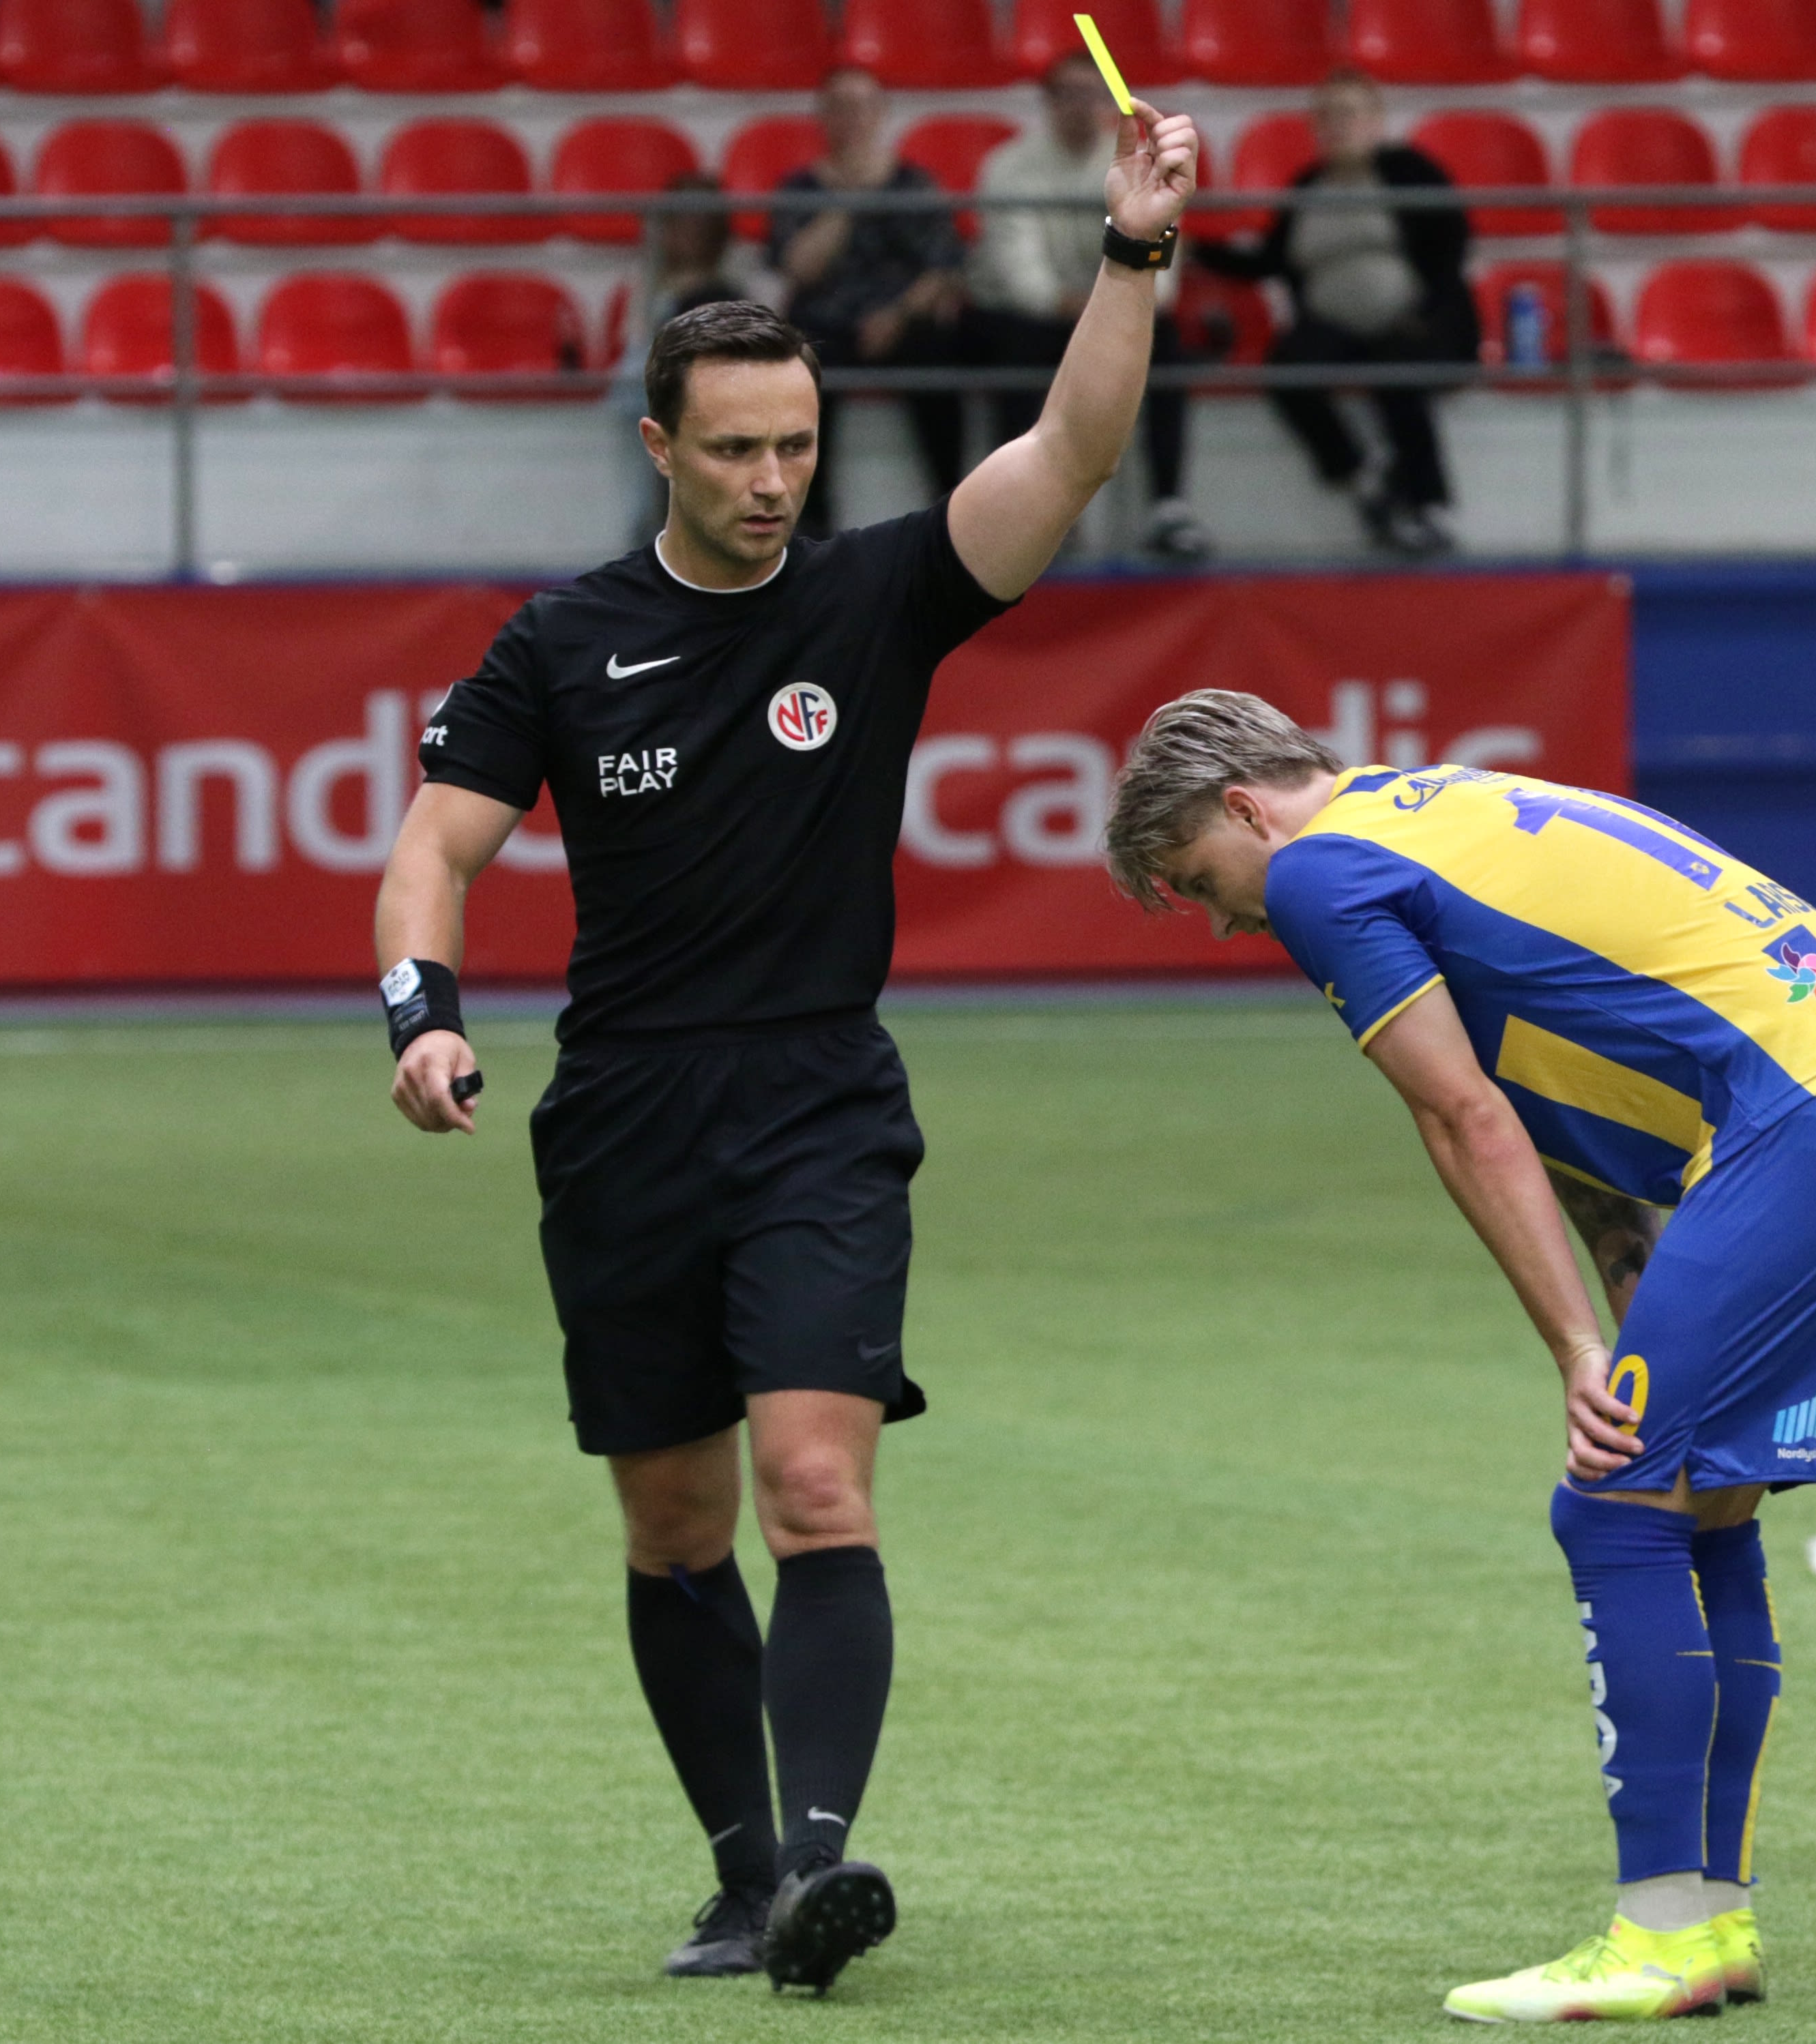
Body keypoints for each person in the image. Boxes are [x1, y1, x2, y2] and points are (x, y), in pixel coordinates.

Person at [370, 103, 1201, 1996]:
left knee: (816, 1486)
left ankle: (821, 1872)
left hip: (820, 1101)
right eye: (737, 448)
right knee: (673, 1524)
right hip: (624, 1119)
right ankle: (742, 1877)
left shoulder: (873, 594)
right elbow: (433, 850)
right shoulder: (558, 644)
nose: (772, 480)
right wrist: (424, 1017)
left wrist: (1130, 248)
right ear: (658, 446)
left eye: (798, 446)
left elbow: (1073, 448)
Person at [1101, 694, 1816, 2021]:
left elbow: (1464, 1117)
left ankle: (1660, 1932)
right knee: (1704, 1506)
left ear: (1244, 810)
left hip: (1806, 1120)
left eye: (1204, 884)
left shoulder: (1319, 870)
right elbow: (1556, 1082)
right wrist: (1624, 1280)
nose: (1226, 922)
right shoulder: (1439, 807)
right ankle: (1712, 1920)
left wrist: (1575, 1345)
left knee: (1612, 1504)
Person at [1198, 70, 1478, 557]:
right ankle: (1358, 473)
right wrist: (1194, 249)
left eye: (1349, 113)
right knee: (1287, 368)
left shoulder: (1408, 170)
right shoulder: (1307, 187)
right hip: (1332, 324)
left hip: (1412, 317)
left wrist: (1424, 311)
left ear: (1376, 121)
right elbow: (1269, 260)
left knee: (1399, 373)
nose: (1337, 125)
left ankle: (1429, 506)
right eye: (1326, 116)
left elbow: (1449, 244)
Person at [968, 51, 1209, 563]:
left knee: (1165, 345)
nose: (1080, 106)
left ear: (1107, 101)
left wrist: (1116, 304)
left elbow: (1164, 268)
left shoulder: (1143, 164)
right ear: (1048, 102)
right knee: (1014, 345)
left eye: (1090, 94)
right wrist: (1094, 305)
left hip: (1110, 304)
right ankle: (1030, 511)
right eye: (1068, 95)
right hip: (1038, 316)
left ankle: (1169, 505)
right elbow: (1019, 273)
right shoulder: (1007, 167)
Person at [770, 67, 968, 537]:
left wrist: (897, 314)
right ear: (822, 116)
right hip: (826, 320)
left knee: (942, 354)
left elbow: (942, 267)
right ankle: (810, 519)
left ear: (881, 114)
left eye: (862, 106)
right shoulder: (799, 188)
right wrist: (848, 198)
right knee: (799, 371)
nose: (852, 118)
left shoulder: (914, 184)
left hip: (903, 317)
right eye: (840, 107)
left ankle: (954, 512)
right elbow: (800, 268)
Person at [613, 171, 757, 548]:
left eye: (698, 226)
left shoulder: (732, 284)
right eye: (680, 225)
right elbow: (635, 347)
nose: (687, 236)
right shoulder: (649, 283)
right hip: (654, 404)